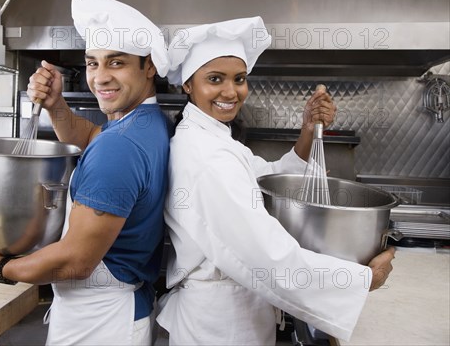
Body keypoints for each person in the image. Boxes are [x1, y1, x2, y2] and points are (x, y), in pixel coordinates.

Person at [155, 18, 395, 345]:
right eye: (215, 79)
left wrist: (309, 129)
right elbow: (266, 255)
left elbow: (268, 176)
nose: (230, 91)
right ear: (187, 85)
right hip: (219, 327)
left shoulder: (213, 139)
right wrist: (363, 279)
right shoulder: (206, 157)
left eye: (239, 79)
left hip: (235, 314)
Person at [0, 0, 172, 345]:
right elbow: (92, 137)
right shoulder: (148, 123)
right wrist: (56, 104)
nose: (100, 78)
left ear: (148, 66)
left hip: (99, 323)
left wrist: (0, 267)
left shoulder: (120, 145)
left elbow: (76, 261)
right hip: (121, 309)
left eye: (116, 63)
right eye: (92, 64)